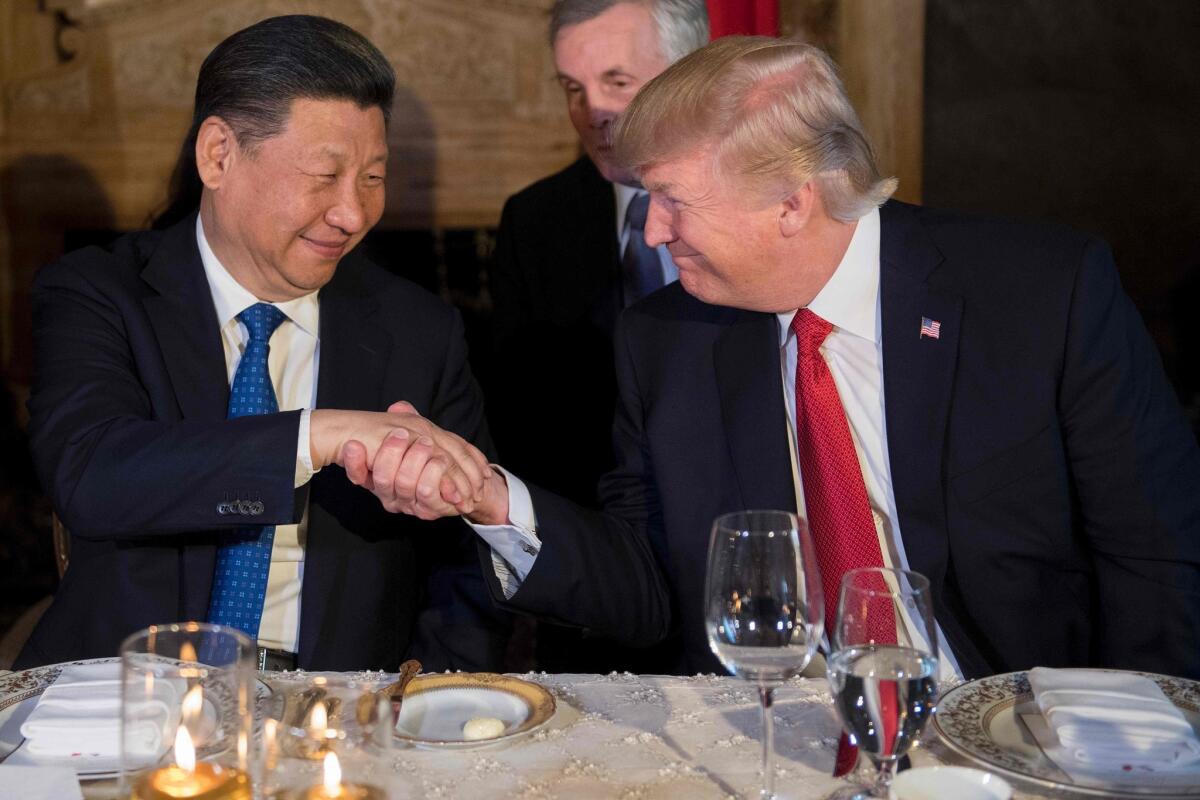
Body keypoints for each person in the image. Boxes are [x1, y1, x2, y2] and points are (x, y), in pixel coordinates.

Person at [353, 37, 1200, 685]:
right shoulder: (666, 338)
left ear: (794, 203)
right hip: (776, 730)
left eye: (671, 202)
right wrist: (493, 497)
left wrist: (1125, 756)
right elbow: (652, 587)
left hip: (1014, 725)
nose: (650, 233)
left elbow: (1158, 559)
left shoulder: (1043, 297)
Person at [15, 15, 510, 673]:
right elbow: (91, 470)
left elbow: (471, 557)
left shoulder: (418, 330)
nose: (354, 214)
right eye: (325, 175)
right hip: (125, 694)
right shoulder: (99, 292)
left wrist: (427, 703)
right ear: (218, 155)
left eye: (372, 176)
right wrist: (313, 437)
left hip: (337, 709)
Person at [483, 0, 707, 673]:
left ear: (688, 75)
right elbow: (520, 424)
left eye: (617, 82)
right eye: (573, 89)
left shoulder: (751, 211)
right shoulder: (534, 221)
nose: (593, 113)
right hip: (593, 588)